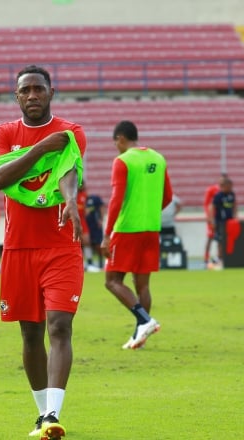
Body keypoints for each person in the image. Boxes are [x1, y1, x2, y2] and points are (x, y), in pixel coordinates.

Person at [0, 65, 85, 440]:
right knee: (30, 336)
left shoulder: (72, 131)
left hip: (61, 245)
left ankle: (54, 415)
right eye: (25, 90)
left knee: (59, 326)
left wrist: (72, 201)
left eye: (38, 89)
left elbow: (67, 170)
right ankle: (42, 414)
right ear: (16, 96)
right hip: (18, 248)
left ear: (51, 93)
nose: (32, 95)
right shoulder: (4, 132)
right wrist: (42, 147)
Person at [101, 120, 173, 350]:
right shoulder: (158, 158)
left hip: (127, 230)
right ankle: (138, 337)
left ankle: (145, 321)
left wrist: (106, 234)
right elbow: (168, 196)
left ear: (120, 139)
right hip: (151, 229)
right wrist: (149, 212)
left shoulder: (123, 161)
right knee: (142, 285)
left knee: (112, 281)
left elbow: (116, 200)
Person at [208, 179, 237, 268]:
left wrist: (235, 217)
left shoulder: (232, 195)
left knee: (230, 240)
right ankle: (220, 258)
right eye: (229, 186)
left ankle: (229, 257)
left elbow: (234, 205)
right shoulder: (218, 196)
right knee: (220, 240)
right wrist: (211, 220)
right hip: (220, 222)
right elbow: (212, 207)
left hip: (230, 222)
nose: (230, 188)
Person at [203, 174, 228, 265]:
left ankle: (219, 257)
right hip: (213, 218)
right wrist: (209, 217)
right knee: (210, 237)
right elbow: (206, 204)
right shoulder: (212, 190)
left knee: (220, 239)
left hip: (221, 219)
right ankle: (206, 257)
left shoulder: (226, 191)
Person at [76, 181, 99, 272]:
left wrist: (87, 210)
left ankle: (89, 263)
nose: (82, 186)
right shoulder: (70, 194)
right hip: (72, 221)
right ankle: (80, 264)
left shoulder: (84, 195)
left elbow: (88, 208)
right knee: (76, 243)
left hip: (82, 221)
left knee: (86, 241)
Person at [84, 190, 105, 269]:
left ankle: (101, 262)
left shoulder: (94, 198)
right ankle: (90, 262)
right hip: (87, 225)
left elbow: (102, 207)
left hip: (96, 225)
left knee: (97, 244)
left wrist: (101, 219)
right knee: (88, 243)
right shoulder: (81, 198)